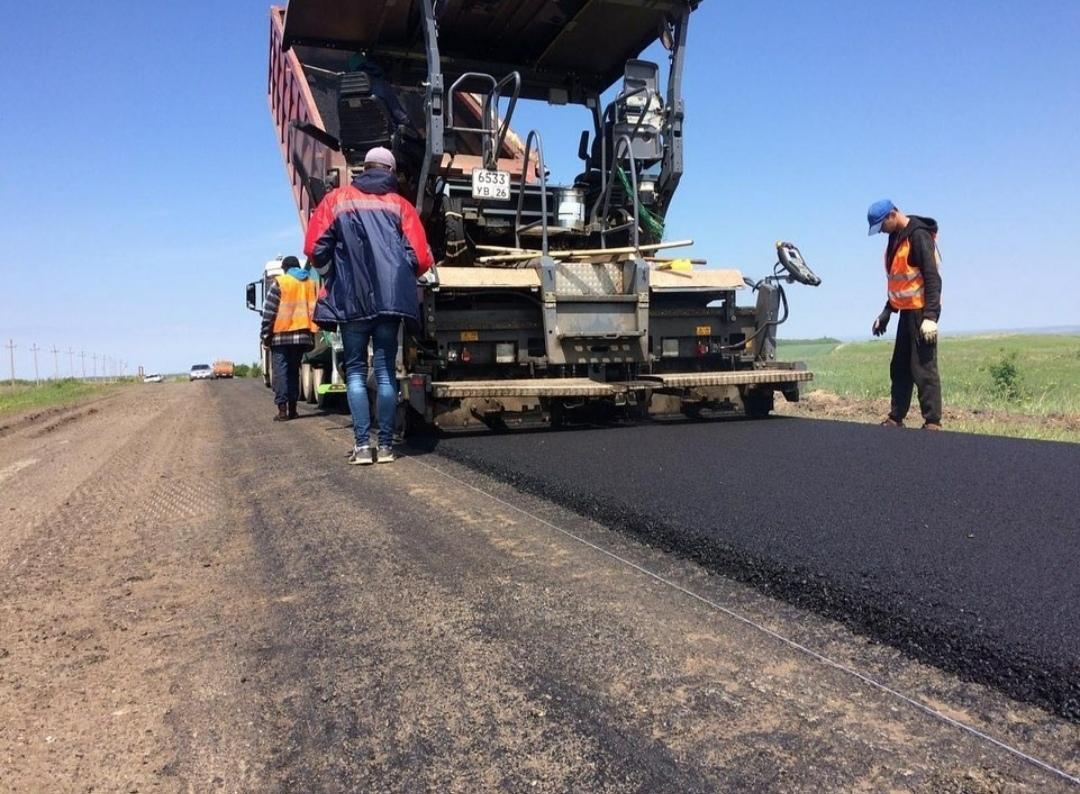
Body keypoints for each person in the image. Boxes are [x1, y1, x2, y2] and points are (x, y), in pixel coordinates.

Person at [304, 147, 434, 465]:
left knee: (356, 374)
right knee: (387, 374)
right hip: (390, 304)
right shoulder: (401, 207)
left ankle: (363, 447)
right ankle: (387, 446)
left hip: (351, 301)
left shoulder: (337, 200)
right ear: (390, 172)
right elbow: (420, 257)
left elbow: (313, 247)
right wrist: (398, 277)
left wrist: (334, 270)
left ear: (365, 168)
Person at [867, 199, 943, 430]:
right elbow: (901, 282)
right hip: (905, 313)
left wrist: (930, 317)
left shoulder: (918, 236)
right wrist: (887, 311)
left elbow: (932, 278)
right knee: (899, 366)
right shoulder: (896, 238)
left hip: (921, 313)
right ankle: (896, 417)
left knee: (923, 367)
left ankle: (932, 422)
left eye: (882, 226)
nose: (881, 232)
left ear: (892, 215)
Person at [260, 255, 319, 421]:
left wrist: (265, 334)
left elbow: (270, 311)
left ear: (285, 269)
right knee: (294, 372)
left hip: (281, 335)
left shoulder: (280, 282)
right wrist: (312, 334)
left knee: (280, 372)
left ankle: (283, 411)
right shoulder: (309, 283)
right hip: (302, 337)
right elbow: (314, 310)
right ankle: (293, 409)